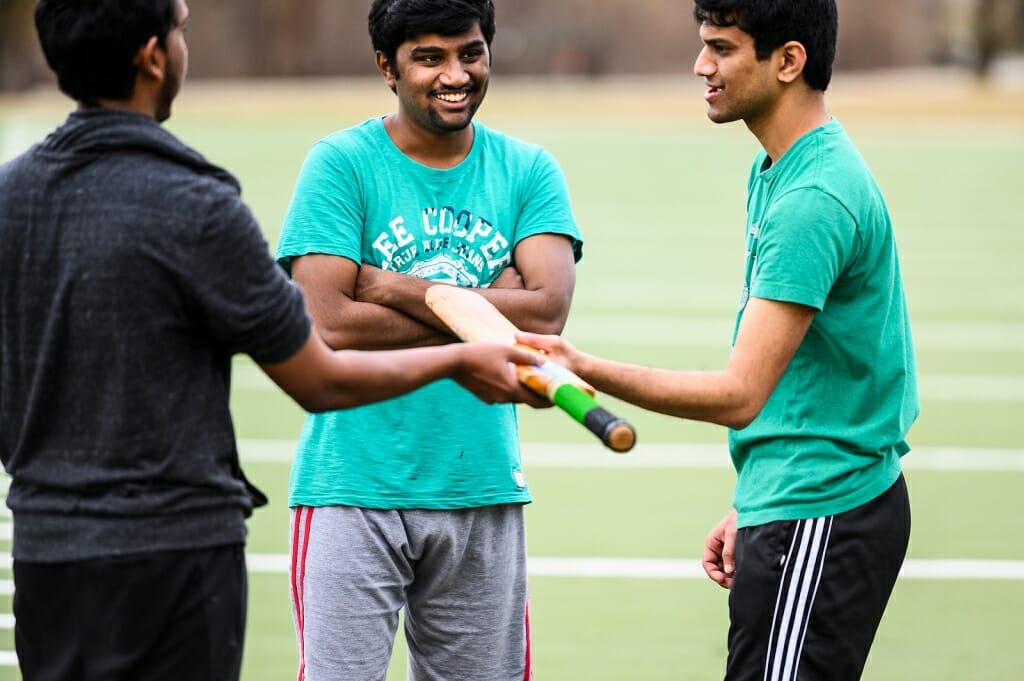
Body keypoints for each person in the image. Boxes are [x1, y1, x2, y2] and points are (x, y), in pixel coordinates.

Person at [0, 2, 548, 680]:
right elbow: (319, 367)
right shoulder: (197, 203)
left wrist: (385, 288)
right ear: (153, 57)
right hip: (182, 548)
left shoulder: (9, 193)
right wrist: (465, 347)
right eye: (182, 30)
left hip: (47, 544)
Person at [518, 1, 919, 679]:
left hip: (821, 508)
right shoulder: (781, 167)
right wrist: (754, 495)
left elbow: (738, 393)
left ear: (788, 61)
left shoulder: (813, 197)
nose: (702, 65)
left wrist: (580, 364)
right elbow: (800, 375)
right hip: (793, 498)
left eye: (723, 48)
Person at [274, 0, 582, 678]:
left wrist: (388, 287)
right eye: (429, 57)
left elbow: (547, 312)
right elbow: (327, 321)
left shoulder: (527, 170)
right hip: (351, 484)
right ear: (387, 66)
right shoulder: (341, 164)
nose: (456, 74)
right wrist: (490, 308)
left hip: (482, 486)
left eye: (470, 52)